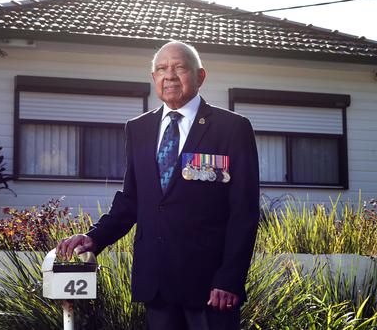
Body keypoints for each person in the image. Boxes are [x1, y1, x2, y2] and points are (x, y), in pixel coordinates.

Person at [57, 40, 260, 330]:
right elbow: (132, 200)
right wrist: (95, 238)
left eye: (179, 68)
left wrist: (229, 278)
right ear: (154, 78)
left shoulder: (231, 128)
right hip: (157, 285)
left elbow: (244, 212)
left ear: (200, 76)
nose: (170, 75)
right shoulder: (139, 129)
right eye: (162, 69)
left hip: (211, 288)